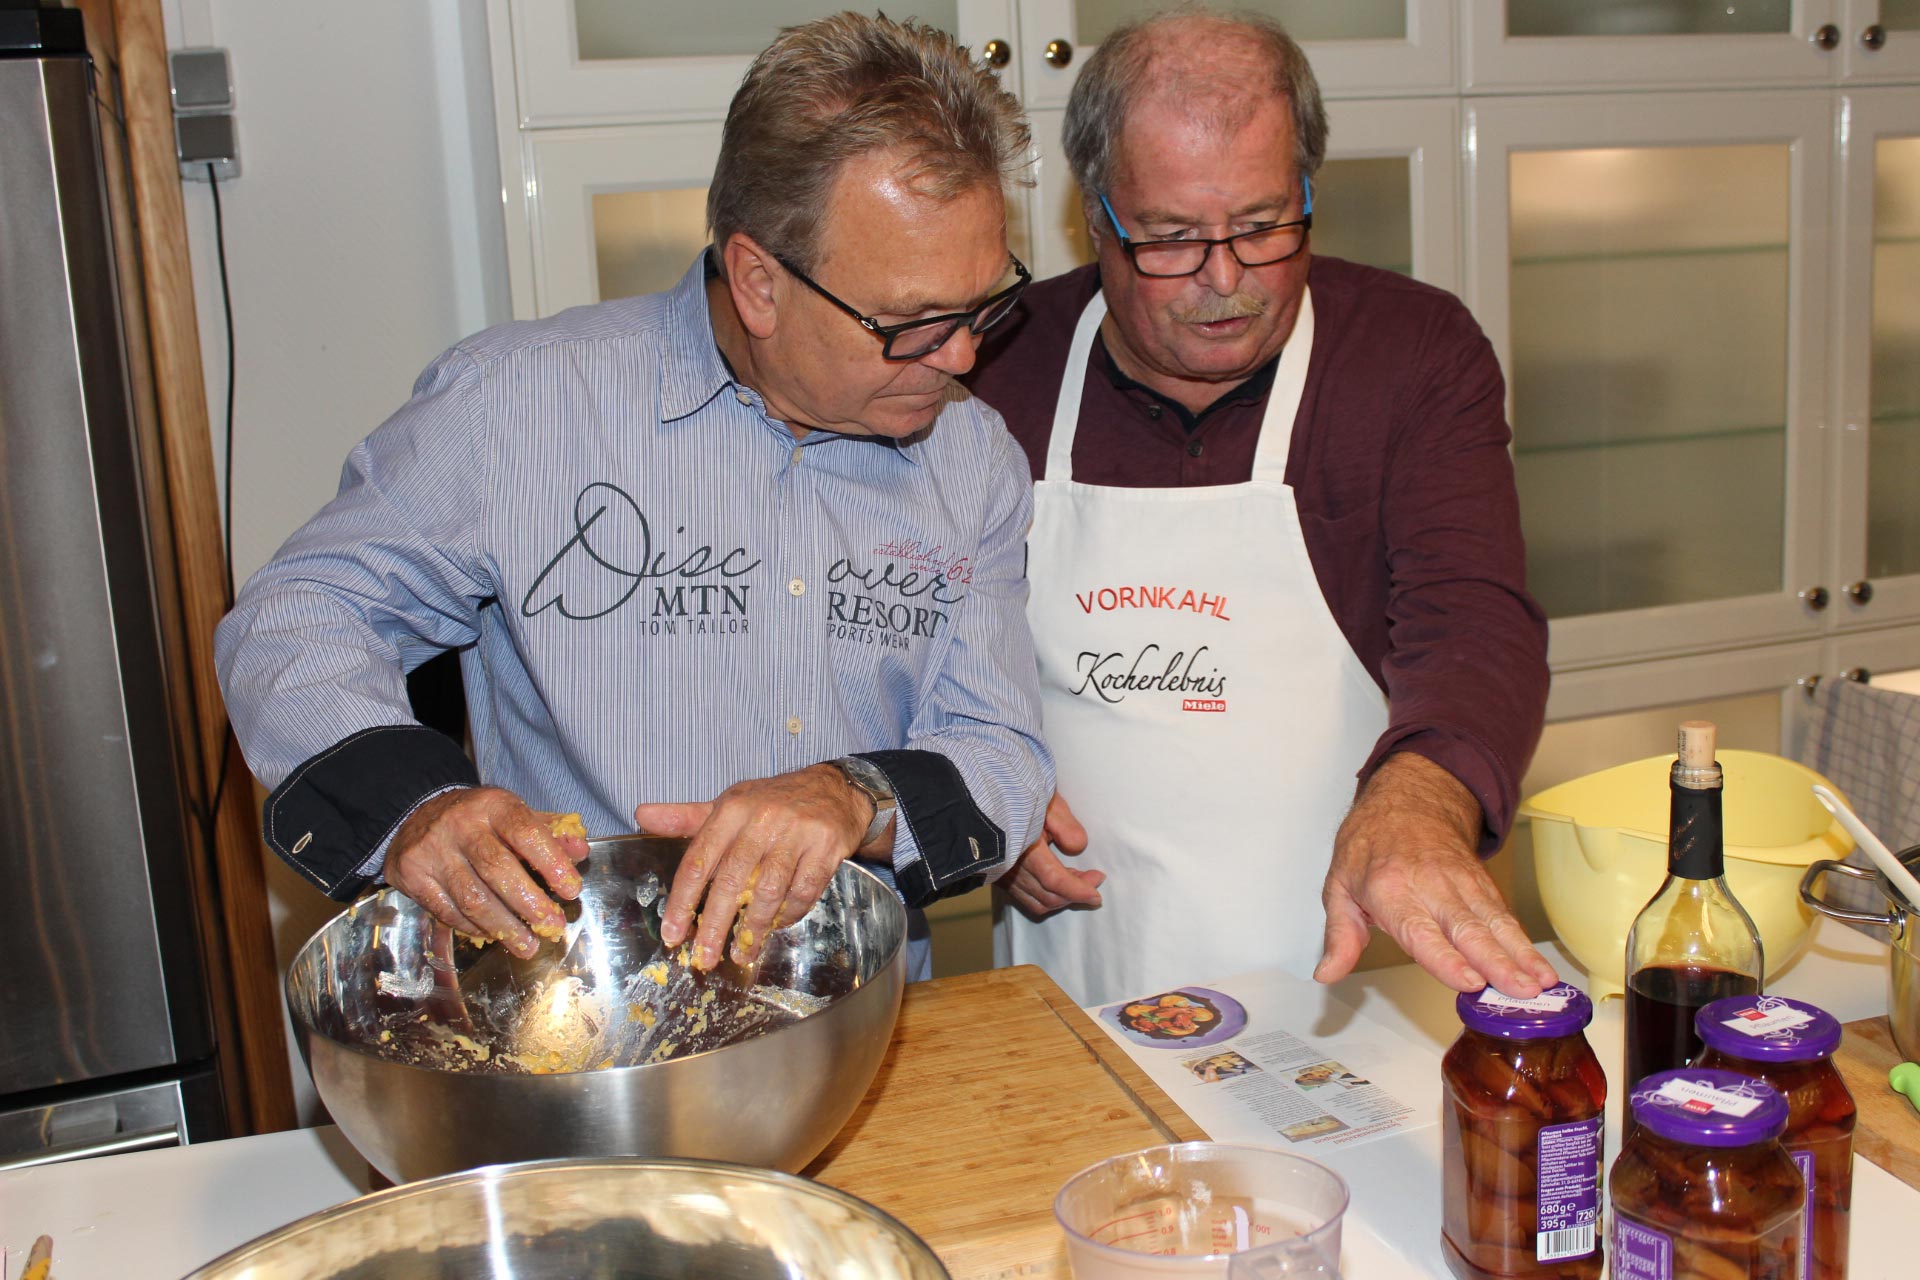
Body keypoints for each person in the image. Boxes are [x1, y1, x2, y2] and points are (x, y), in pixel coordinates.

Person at [215, 14, 1051, 982]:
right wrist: (419, 806)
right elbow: (295, 615)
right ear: (758, 282)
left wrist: (854, 794)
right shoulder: (517, 407)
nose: (962, 356)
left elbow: (1000, 749)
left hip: (862, 1017)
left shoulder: (972, 460)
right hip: (580, 1014)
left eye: (983, 304)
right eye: (912, 321)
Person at [963, 7, 1555, 1006]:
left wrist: (1425, 798)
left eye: (1263, 225)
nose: (1225, 279)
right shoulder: (996, 364)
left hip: (1351, 975)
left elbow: (1474, 620)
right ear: (1094, 218)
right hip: (1080, 969)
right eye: (1171, 238)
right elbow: (923, 631)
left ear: (1308, 190)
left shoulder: (1411, 353)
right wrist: (984, 792)